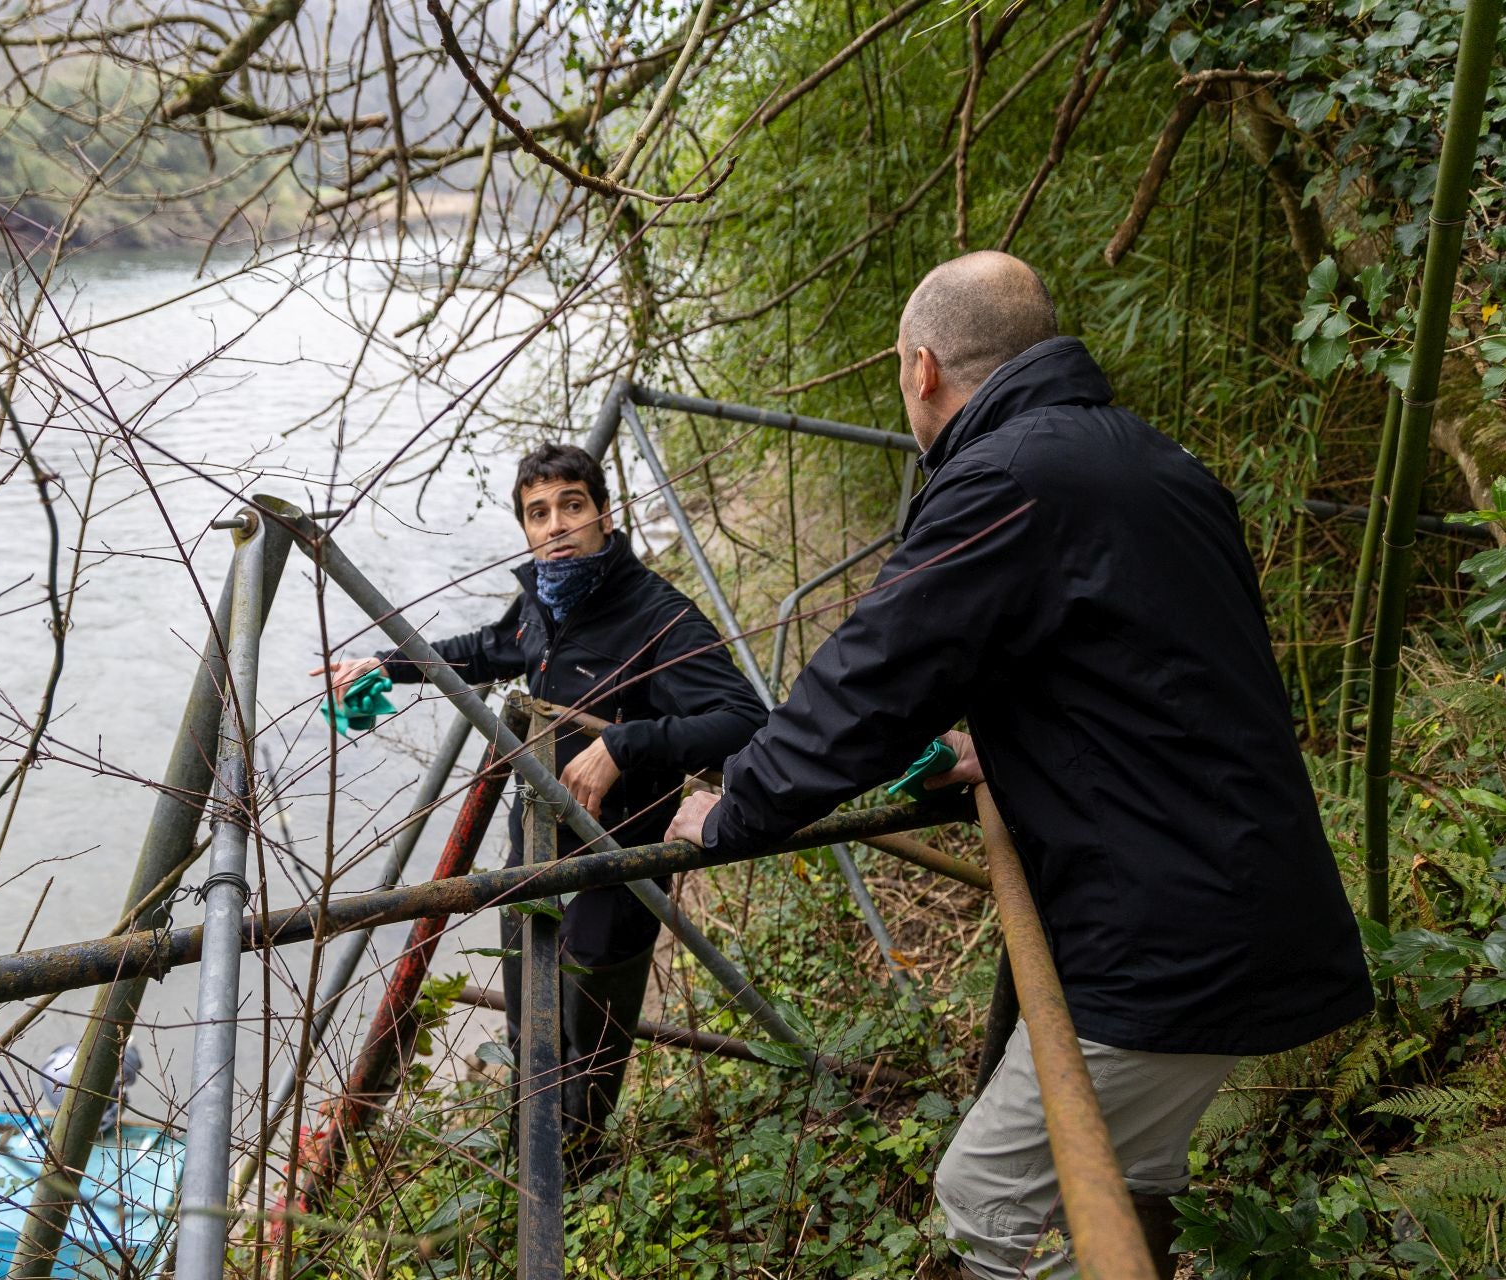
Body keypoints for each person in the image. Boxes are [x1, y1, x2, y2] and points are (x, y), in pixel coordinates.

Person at [665, 251, 1372, 1278]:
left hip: (1168, 934)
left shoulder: (1009, 477)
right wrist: (991, 743)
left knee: (984, 1196)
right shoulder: (1154, 462)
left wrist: (731, 811)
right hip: (1242, 897)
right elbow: (1148, 674)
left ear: (923, 370)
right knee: (1127, 1186)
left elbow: (872, 677)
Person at [316, 442, 768, 1164]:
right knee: (530, 998)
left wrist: (628, 743)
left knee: (589, 1021)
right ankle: (532, 1138)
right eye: (538, 513)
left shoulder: (657, 614)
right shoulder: (545, 599)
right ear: (525, 527)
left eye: (571, 506)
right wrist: (388, 665)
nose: (555, 526)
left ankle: (580, 1164)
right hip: (536, 839)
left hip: (616, 857)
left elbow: (746, 719)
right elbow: (492, 647)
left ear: (604, 514)